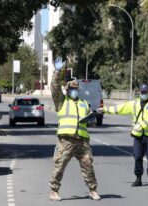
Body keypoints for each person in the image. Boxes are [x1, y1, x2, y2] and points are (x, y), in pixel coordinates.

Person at [49, 59, 101, 201]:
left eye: (76, 89)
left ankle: (93, 190)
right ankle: (54, 191)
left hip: (82, 140)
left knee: (88, 165)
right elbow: (54, 87)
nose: (74, 91)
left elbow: (89, 119)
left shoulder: (84, 103)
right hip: (66, 139)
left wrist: (93, 117)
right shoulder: (61, 101)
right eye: (71, 89)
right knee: (60, 164)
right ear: (67, 90)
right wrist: (57, 71)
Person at [97, 84, 148, 187]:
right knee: (137, 157)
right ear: (139, 92)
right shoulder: (134, 104)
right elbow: (119, 109)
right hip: (138, 136)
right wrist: (105, 109)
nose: (144, 94)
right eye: (142, 92)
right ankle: (138, 179)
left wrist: (141, 125)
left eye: (145, 92)